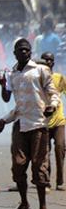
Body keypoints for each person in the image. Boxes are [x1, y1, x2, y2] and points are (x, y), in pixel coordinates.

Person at [0, 38, 58, 209]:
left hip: (38, 125)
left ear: (30, 52)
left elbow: (53, 93)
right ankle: (24, 202)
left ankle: (43, 208)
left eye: (26, 50)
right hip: (20, 125)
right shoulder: (13, 74)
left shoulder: (40, 70)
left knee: (39, 167)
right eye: (20, 50)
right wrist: (3, 120)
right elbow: (13, 104)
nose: (23, 52)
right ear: (14, 53)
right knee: (18, 166)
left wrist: (52, 106)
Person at [39, 52, 66, 191]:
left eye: (50, 60)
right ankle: (46, 181)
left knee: (60, 148)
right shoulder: (36, 79)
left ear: (53, 63)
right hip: (43, 122)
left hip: (59, 120)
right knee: (44, 152)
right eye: (45, 60)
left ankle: (60, 181)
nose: (48, 62)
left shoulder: (59, 78)